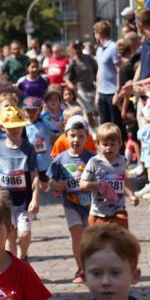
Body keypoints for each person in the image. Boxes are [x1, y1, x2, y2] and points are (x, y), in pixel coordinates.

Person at [0, 105, 40, 262]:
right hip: (5, 202)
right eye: (11, 126)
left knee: (23, 233)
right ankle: (13, 265)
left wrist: (36, 198)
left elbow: (34, 175)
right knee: (9, 237)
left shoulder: (28, 148)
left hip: (24, 201)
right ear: (3, 127)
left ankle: (23, 256)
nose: (15, 129)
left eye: (18, 125)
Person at [48, 113, 93, 283]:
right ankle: (81, 269)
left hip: (90, 204)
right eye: (72, 135)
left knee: (89, 237)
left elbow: (101, 179)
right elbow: (50, 180)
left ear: (86, 137)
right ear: (65, 136)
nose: (76, 139)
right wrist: (56, 185)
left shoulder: (92, 158)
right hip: (71, 203)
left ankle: (90, 267)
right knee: (76, 235)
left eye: (81, 136)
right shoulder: (60, 159)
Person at [80, 122, 139, 228]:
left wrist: (131, 195)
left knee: (121, 239)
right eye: (105, 144)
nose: (109, 148)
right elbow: (82, 184)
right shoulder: (94, 162)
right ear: (97, 144)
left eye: (113, 144)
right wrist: (98, 184)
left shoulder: (122, 161)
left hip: (118, 209)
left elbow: (124, 179)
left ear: (120, 144)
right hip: (98, 212)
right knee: (97, 243)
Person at [93, 19, 121, 128]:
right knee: (104, 125)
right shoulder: (99, 50)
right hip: (102, 93)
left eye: (95, 33)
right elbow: (100, 71)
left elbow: (119, 70)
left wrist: (117, 92)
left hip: (112, 93)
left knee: (115, 125)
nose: (94, 36)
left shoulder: (113, 48)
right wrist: (97, 93)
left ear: (99, 33)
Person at [22, 96, 54, 188]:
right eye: (28, 110)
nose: (31, 113)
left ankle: (42, 187)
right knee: (31, 182)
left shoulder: (43, 122)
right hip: (28, 160)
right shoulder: (21, 124)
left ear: (39, 110)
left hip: (43, 159)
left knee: (44, 184)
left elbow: (55, 133)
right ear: (23, 111)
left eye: (34, 111)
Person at [66, 39, 98, 123]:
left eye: (79, 48)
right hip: (82, 90)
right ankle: (92, 131)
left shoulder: (89, 59)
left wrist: (97, 82)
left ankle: (97, 127)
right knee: (88, 112)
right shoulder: (73, 62)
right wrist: (72, 86)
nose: (77, 50)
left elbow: (97, 70)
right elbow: (66, 77)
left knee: (97, 111)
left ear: (82, 48)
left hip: (92, 88)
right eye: (75, 48)